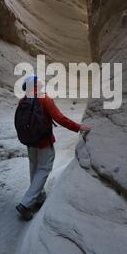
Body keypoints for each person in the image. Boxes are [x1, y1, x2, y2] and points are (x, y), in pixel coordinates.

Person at [16, 75, 91, 220]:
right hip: (43, 142)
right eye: (38, 80)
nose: (40, 81)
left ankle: (39, 197)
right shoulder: (44, 99)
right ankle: (25, 203)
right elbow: (60, 118)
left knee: (34, 167)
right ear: (35, 84)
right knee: (44, 169)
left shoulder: (23, 100)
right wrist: (79, 127)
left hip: (30, 142)